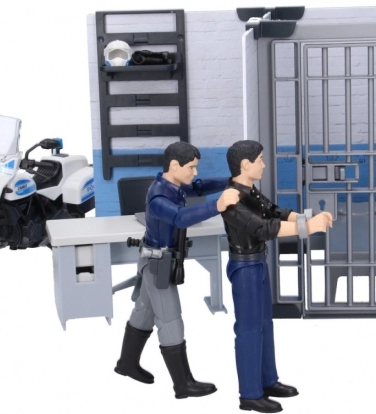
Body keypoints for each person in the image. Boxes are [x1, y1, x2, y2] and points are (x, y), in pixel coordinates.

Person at [114, 141, 239, 399]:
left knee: (144, 312)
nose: (195, 172)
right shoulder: (159, 196)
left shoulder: (175, 186)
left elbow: (199, 187)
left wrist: (230, 181)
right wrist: (217, 205)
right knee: (170, 319)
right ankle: (183, 384)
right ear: (174, 166)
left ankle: (126, 364)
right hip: (158, 264)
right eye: (191, 167)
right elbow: (181, 218)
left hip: (159, 259)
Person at [221, 140, 333, 413]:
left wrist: (308, 217)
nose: (263, 164)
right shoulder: (231, 199)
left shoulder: (250, 191)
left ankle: (267, 381)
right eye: (259, 159)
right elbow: (263, 228)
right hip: (245, 268)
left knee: (264, 324)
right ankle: (250, 394)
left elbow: (275, 212)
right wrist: (308, 227)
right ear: (245, 164)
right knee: (249, 330)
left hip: (258, 262)